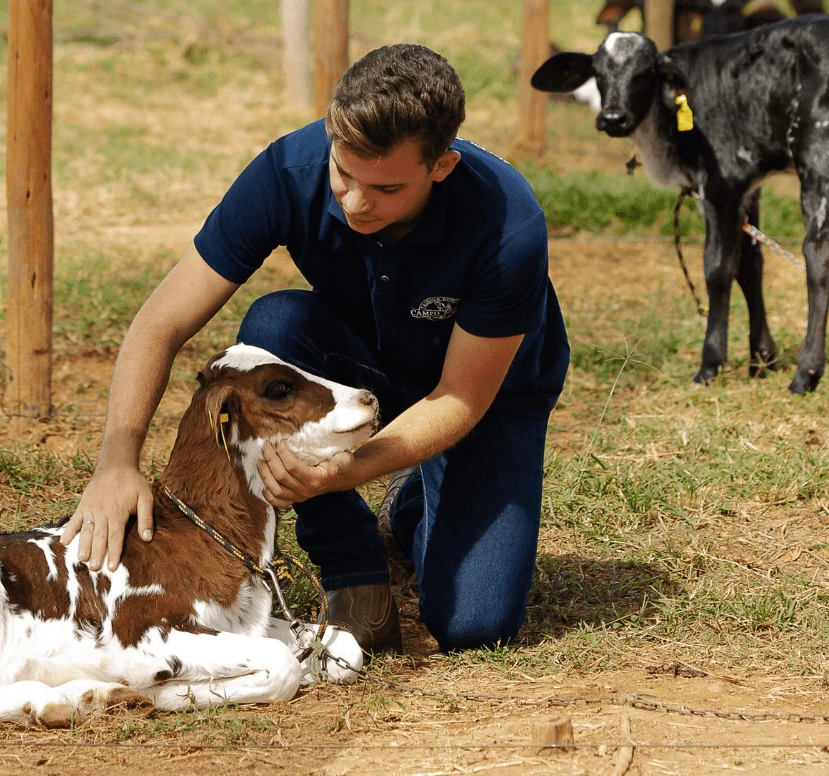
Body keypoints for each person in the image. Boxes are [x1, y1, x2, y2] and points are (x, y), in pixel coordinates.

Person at [63, 43, 569, 652]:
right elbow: (160, 322)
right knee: (274, 329)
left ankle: (417, 499)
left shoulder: (508, 222)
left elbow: (460, 396)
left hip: (482, 395)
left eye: (385, 188)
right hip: (363, 365)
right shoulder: (286, 171)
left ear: (441, 167)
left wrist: (351, 469)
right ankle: (354, 570)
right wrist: (118, 459)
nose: (355, 202)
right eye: (343, 173)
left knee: (476, 625)